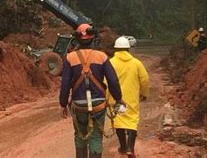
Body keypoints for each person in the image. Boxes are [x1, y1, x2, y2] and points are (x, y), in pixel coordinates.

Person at [60, 23, 124, 158]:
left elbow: (65, 84)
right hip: (98, 105)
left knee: (80, 136)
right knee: (95, 137)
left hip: (78, 105)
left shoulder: (70, 58)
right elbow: (113, 81)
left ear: (77, 39)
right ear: (93, 37)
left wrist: (63, 103)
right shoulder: (102, 56)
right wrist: (118, 99)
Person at [109, 36, 150, 158]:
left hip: (115, 99)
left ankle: (123, 146)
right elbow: (145, 79)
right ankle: (130, 148)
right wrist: (144, 93)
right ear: (128, 48)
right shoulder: (136, 63)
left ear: (115, 49)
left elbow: (105, 81)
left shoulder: (111, 63)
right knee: (131, 121)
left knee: (119, 121)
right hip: (131, 98)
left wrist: (106, 99)